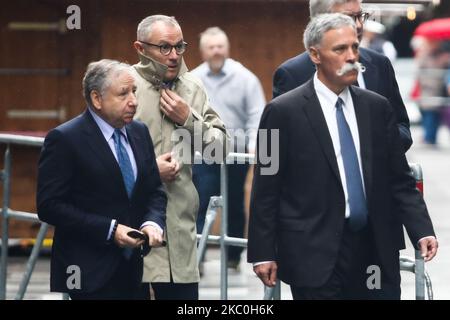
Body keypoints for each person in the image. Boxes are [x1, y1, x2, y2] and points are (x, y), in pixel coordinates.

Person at [248, 13, 438, 300]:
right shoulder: (281, 112)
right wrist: (262, 251)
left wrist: (421, 229)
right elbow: (266, 187)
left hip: (374, 251)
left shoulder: (377, 108)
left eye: (354, 47)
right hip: (314, 253)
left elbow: (398, 178)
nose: (352, 57)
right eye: (340, 49)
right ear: (315, 54)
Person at [37, 59, 167, 300]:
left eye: (134, 91)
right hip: (89, 273)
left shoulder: (139, 133)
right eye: (123, 94)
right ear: (97, 99)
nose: (134, 101)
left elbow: (154, 191)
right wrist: (110, 230)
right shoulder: (65, 139)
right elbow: (49, 206)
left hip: (133, 273)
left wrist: (152, 223)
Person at [132, 15, 227, 299]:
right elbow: (100, 157)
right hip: (134, 236)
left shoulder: (193, 88)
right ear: (140, 47)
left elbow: (220, 150)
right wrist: (149, 172)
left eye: (179, 47)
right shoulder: (124, 87)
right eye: (164, 48)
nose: (173, 56)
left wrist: (189, 119)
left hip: (181, 240)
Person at [273, 0, 412, 152]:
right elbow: (272, 152)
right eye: (348, 18)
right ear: (320, 21)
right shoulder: (291, 75)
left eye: (361, 16)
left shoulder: (380, 65)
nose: (358, 25)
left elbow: (402, 128)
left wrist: (373, 148)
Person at [191, 27, 266, 269]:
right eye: (211, 47)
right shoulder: (192, 79)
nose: (216, 51)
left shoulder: (245, 78)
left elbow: (257, 114)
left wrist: (255, 146)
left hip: (237, 152)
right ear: (203, 51)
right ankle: (197, 257)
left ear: (227, 48)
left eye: (220, 46)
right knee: (200, 201)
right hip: (204, 152)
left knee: (234, 202)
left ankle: (233, 258)